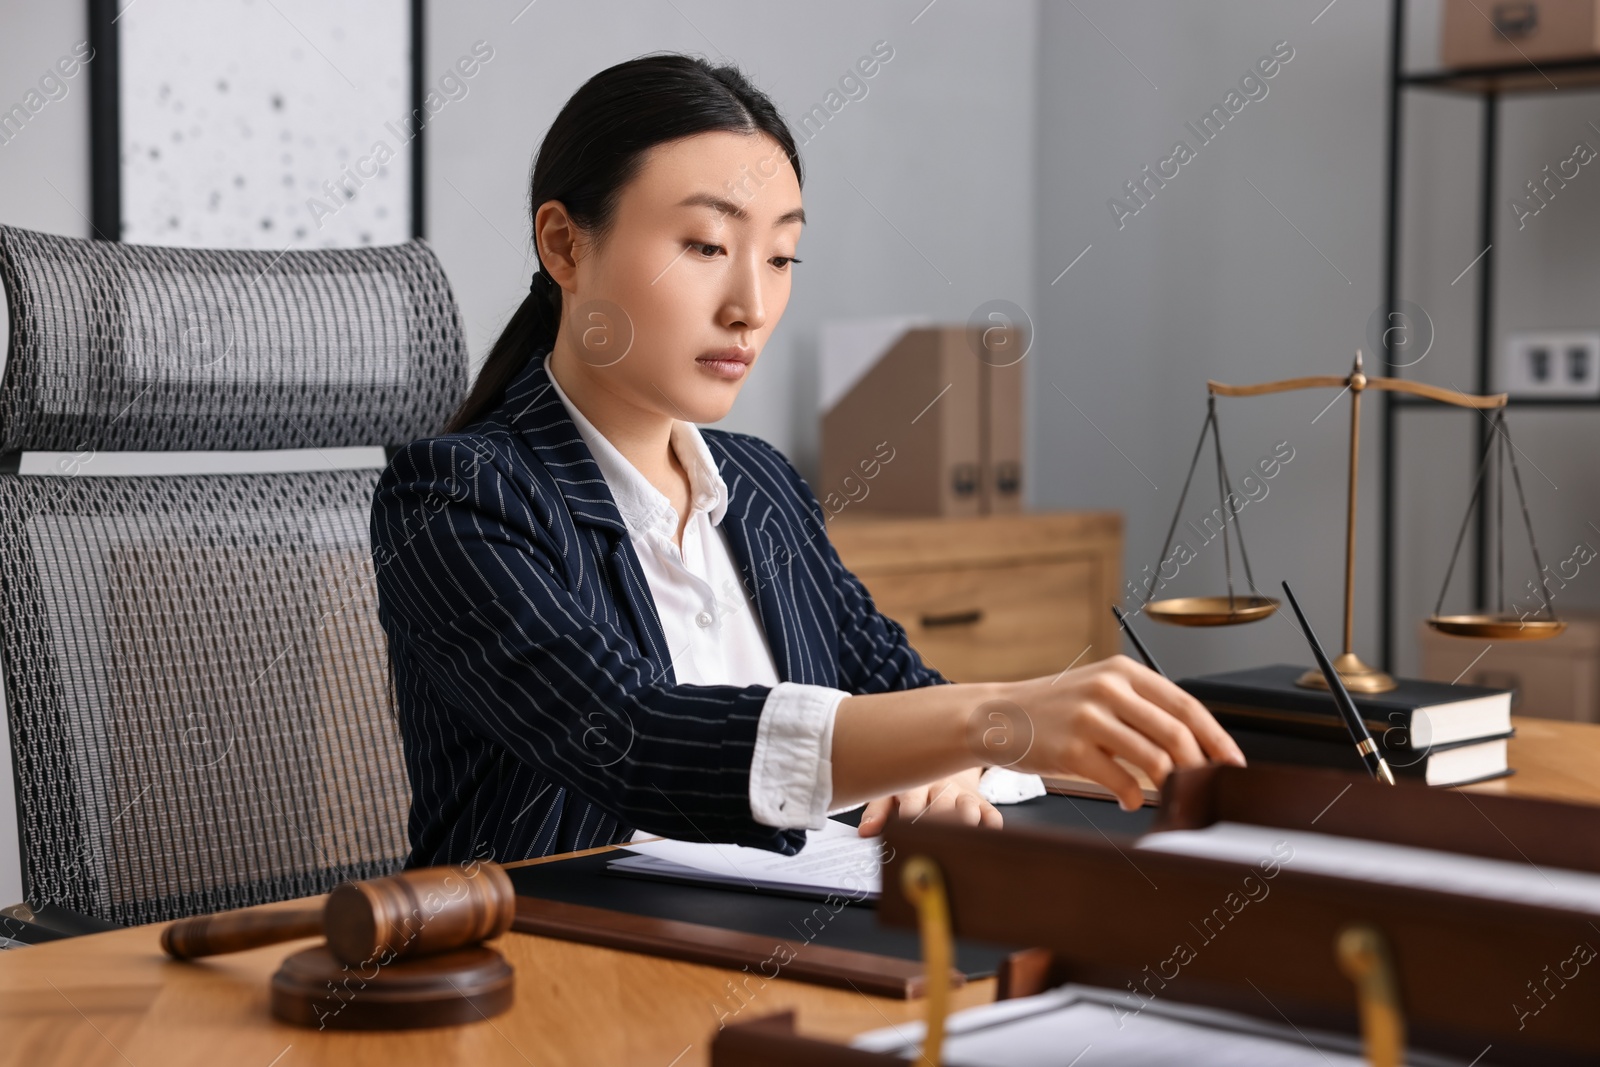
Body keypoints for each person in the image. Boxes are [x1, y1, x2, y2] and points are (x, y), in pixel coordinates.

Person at [370, 53, 1245, 869]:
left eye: (782, 256)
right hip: (548, 985)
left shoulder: (758, 484)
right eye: (707, 246)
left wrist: (950, 763)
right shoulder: (456, 497)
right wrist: (984, 719)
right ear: (564, 245)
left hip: (782, 960)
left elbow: (899, 693)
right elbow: (632, 738)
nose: (751, 305)